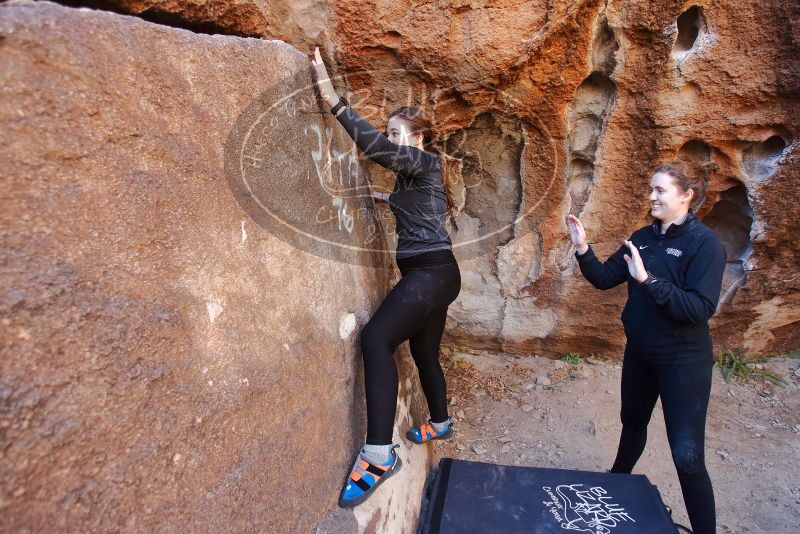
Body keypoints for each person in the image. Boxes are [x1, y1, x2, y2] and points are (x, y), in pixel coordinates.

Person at [311, 47, 462, 508]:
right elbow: (405, 200)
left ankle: (378, 455)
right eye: (390, 133)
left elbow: (375, 149)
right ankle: (440, 422)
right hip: (436, 273)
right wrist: (376, 197)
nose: (390, 141)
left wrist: (333, 99)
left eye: (397, 134)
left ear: (417, 140)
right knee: (423, 350)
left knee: (375, 340)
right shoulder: (411, 176)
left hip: (432, 274)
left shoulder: (423, 162)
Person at [567, 160, 726, 534]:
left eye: (660, 190)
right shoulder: (643, 237)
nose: (651, 196)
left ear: (686, 196)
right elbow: (605, 279)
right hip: (641, 353)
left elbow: (700, 309)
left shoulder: (705, 246)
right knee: (632, 423)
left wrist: (649, 280)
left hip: (683, 362)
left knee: (686, 457)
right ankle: (617, 482)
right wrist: (583, 248)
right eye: (651, 189)